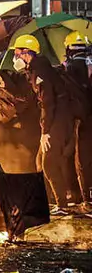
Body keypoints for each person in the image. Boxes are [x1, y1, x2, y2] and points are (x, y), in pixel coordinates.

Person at [13, 34, 82, 210]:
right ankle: (49, 202)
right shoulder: (37, 69)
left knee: (49, 164)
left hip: (58, 121)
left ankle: (62, 205)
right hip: (58, 119)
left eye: (17, 52)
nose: (16, 57)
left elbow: (48, 103)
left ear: (27, 53)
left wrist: (45, 132)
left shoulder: (40, 72)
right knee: (40, 162)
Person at [62, 31, 92, 210]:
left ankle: (84, 198)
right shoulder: (89, 66)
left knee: (80, 159)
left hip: (79, 120)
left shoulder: (69, 68)